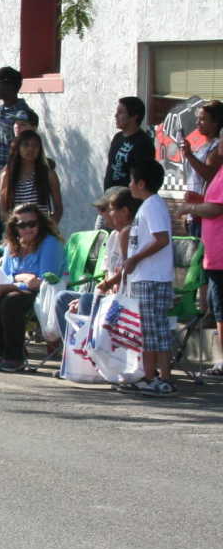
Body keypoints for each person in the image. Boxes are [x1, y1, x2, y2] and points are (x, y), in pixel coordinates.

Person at [102, 159, 175, 394]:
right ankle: (153, 377)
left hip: (151, 277)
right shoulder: (149, 206)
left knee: (152, 330)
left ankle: (157, 378)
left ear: (141, 183)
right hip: (147, 277)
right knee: (151, 330)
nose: (129, 185)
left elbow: (161, 239)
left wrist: (135, 259)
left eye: (132, 181)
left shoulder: (152, 206)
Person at [0, 204, 65, 372]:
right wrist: (21, 278)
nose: (28, 229)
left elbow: (43, 280)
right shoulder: (12, 245)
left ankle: (15, 357)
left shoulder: (50, 244)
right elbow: (6, 274)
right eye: (22, 225)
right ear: (14, 227)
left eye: (32, 224)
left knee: (11, 302)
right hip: (14, 288)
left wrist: (13, 283)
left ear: (40, 224)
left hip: (43, 293)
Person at [176, 102, 223, 376]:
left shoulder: (216, 158)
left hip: (218, 247)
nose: (199, 124)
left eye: (204, 119)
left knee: (218, 299)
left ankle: (219, 356)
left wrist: (192, 207)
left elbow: (215, 205)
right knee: (215, 296)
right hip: (211, 246)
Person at [56, 187, 134, 341]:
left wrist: (97, 295)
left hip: (125, 300)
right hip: (108, 297)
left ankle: (87, 349)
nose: (101, 214)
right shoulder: (113, 237)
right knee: (63, 298)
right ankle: (72, 348)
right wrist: (98, 294)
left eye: (105, 209)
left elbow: (126, 274)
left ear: (124, 211)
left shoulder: (132, 236)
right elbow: (105, 276)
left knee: (85, 300)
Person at [0, 67, 33, 250]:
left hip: (10, 186)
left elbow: (24, 152)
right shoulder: (0, 111)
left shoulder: (22, 115)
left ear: (10, 86)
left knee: (9, 237)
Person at [0, 129, 63, 223]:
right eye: (26, 145)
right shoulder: (7, 176)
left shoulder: (48, 174)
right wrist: (16, 226)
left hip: (42, 227)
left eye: (35, 146)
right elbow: (3, 210)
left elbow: (58, 208)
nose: (31, 149)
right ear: (18, 148)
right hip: (18, 227)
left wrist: (50, 226)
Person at [104, 96, 156, 191]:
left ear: (134, 117)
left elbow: (142, 178)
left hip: (128, 198)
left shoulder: (143, 144)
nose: (116, 116)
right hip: (110, 196)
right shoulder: (117, 137)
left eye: (120, 112)